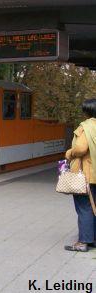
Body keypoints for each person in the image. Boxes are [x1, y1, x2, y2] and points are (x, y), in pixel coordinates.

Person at [64, 98, 96, 252]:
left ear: (87, 111)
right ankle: (93, 238)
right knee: (94, 205)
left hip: (86, 175)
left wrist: (70, 153)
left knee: (84, 207)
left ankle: (83, 242)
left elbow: (81, 148)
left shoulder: (86, 127)